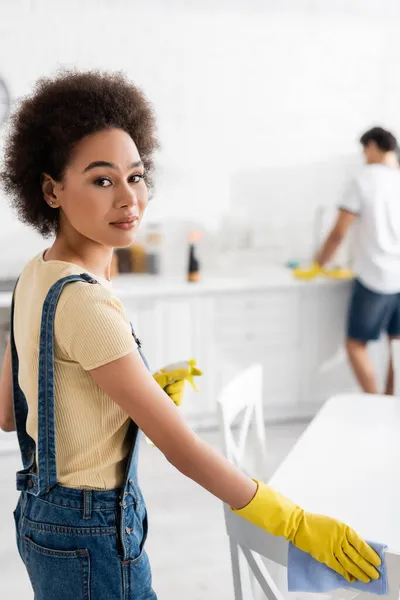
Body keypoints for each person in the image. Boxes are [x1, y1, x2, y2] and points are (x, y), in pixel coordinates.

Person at [0, 72, 380, 599]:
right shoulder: (86, 299)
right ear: (51, 190)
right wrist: (293, 523)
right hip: (94, 534)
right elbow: (180, 448)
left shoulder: (35, 273)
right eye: (102, 180)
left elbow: (10, 413)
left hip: (43, 521)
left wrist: (133, 390)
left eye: (136, 176)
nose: (129, 199)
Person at [316, 127, 400, 395]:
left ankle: (374, 402)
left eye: (364, 149)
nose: (363, 155)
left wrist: (319, 264)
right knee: (396, 346)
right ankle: (390, 404)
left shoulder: (362, 181)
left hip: (375, 276)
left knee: (355, 345)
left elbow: (338, 233)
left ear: (373, 145)